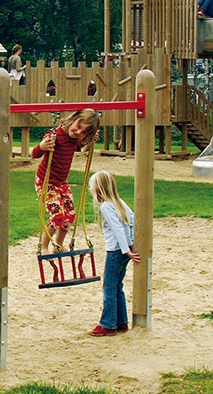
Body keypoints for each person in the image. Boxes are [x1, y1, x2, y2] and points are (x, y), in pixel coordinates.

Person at [31, 109, 101, 255]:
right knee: (58, 216)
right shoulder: (54, 135)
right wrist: (42, 146)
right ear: (74, 118)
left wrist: (89, 140)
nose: (78, 132)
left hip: (61, 183)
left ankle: (58, 244)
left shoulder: (74, 140)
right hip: (46, 182)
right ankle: (43, 246)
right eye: (79, 126)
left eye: (83, 133)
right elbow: (35, 153)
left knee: (69, 215)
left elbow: (80, 146)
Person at [88, 171, 141, 337]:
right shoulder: (119, 202)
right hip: (124, 252)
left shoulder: (105, 207)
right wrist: (131, 244)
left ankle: (108, 324)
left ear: (98, 189)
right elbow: (132, 221)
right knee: (118, 286)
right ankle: (121, 322)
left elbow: (118, 229)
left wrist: (126, 249)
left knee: (109, 287)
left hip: (116, 252)